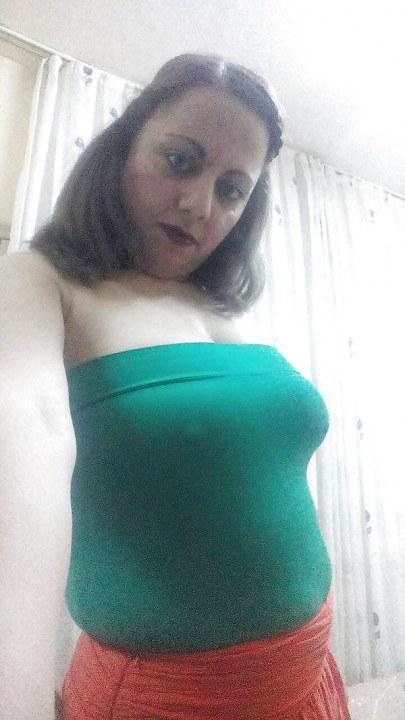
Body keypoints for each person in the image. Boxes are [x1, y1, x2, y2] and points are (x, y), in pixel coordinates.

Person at [0, 54, 351, 719]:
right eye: (181, 161)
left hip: (305, 673)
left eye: (232, 189)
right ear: (122, 147)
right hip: (172, 699)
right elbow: (26, 438)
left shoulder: (223, 308)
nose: (200, 205)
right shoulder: (40, 281)